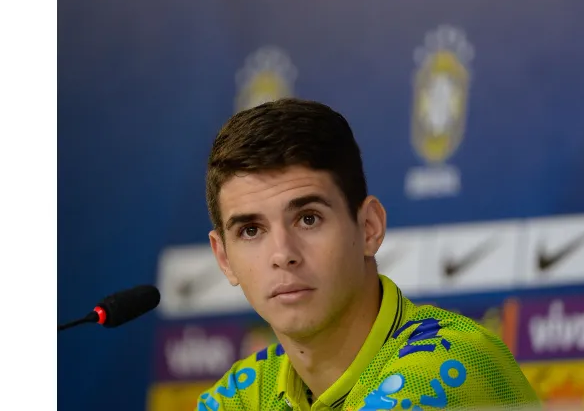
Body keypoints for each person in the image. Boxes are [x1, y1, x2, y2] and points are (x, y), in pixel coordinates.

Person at [196, 98, 540, 410]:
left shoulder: (446, 365)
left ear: (369, 228)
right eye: (251, 231)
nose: (283, 254)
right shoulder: (244, 394)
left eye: (308, 219)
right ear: (224, 259)